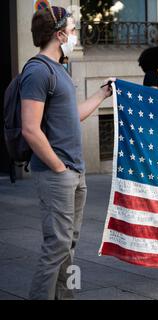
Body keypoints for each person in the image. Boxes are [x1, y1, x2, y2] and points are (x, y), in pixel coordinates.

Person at [21, 6, 114, 300]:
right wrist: (59, 168)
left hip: (75, 171)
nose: (75, 36)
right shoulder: (38, 71)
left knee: (68, 244)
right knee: (56, 246)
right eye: (73, 31)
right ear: (60, 34)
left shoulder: (59, 70)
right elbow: (30, 129)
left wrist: (102, 93)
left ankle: (66, 297)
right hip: (57, 173)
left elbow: (71, 116)